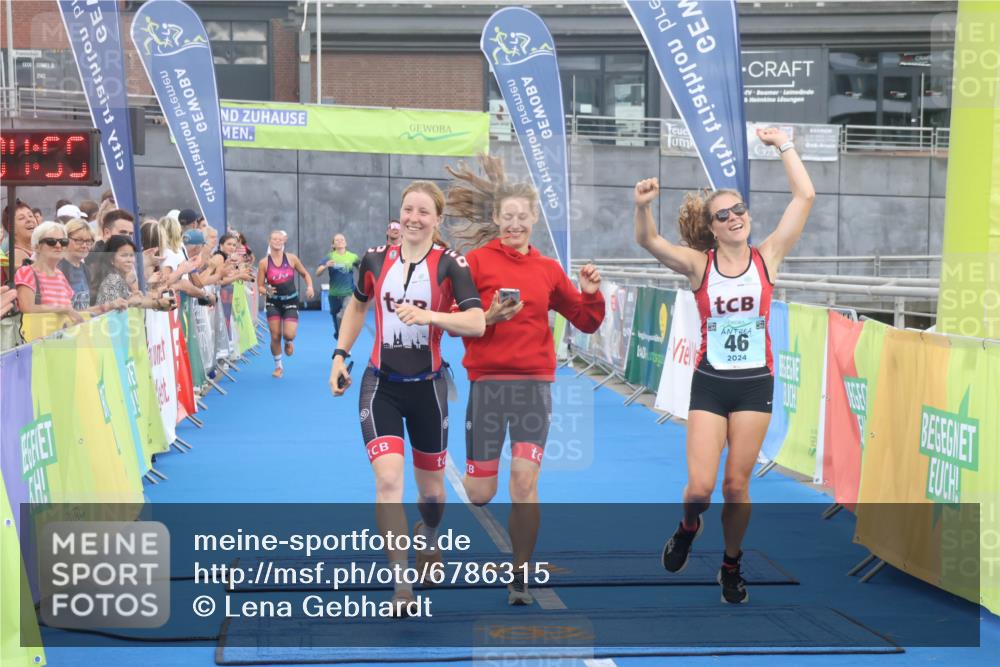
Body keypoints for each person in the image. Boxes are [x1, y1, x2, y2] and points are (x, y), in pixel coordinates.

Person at [634, 128, 815, 604]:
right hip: (711, 384)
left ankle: (731, 565)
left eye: (740, 210)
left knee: (736, 485)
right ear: (711, 227)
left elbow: (806, 195)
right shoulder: (699, 266)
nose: (734, 218)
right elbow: (648, 240)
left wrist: (785, 145)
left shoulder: (768, 257)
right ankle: (688, 526)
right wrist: (642, 204)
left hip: (755, 384)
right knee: (700, 487)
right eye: (723, 214)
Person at [445, 155, 606, 605]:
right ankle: (433, 524)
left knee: (524, 482)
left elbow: (585, 321)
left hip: (534, 386)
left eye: (522, 217)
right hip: (488, 387)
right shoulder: (476, 263)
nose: (514, 224)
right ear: (495, 218)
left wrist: (591, 295)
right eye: (507, 216)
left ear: (534, 219)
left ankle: (520, 573)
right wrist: (486, 317)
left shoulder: (549, 270)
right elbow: (453, 316)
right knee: (480, 493)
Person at [328, 181, 485, 615]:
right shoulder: (375, 260)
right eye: (408, 210)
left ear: (437, 220)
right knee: (388, 481)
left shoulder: (451, 264)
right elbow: (358, 307)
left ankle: (429, 538)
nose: (414, 218)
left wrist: (432, 315)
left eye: (423, 212)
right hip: (381, 385)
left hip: (429, 391)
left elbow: (476, 322)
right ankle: (401, 585)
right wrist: (340, 355)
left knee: (432, 496)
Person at [14, 222, 105, 322]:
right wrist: (62, 308)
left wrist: (107, 307)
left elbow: (72, 311)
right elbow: (27, 308)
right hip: (36, 335)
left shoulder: (60, 275)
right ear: (36, 247)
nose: (58, 245)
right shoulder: (26, 272)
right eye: (51, 241)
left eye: (63, 242)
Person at [257, 230, 314, 378]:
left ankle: (288, 342)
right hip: (273, 303)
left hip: (290, 301)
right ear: (269, 241)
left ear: (284, 241)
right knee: (275, 335)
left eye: (280, 239)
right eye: (274, 239)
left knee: (289, 334)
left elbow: (305, 274)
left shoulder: (291, 259)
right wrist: (266, 290)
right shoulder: (264, 263)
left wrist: (310, 287)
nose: (277, 241)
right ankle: (278, 366)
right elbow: (260, 286)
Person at [92, 235, 174, 310]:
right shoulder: (113, 279)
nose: (129, 260)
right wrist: (131, 301)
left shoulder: (119, 278)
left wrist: (157, 301)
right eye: (123, 255)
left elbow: (133, 302)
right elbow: (111, 312)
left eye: (131, 255)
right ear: (111, 259)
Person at [315, 233, 360, 339]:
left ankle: (344, 341)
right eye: (337, 240)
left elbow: (361, 267)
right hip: (334, 295)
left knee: (342, 316)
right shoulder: (330, 257)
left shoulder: (352, 256)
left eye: (342, 239)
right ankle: (339, 335)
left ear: (346, 243)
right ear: (333, 245)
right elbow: (317, 273)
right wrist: (326, 266)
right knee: (336, 318)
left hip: (348, 293)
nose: (340, 241)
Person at [59, 219, 97, 311]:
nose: (84, 245)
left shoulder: (85, 269)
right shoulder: (58, 268)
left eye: (88, 241)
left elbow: (86, 307)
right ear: (65, 239)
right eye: (79, 240)